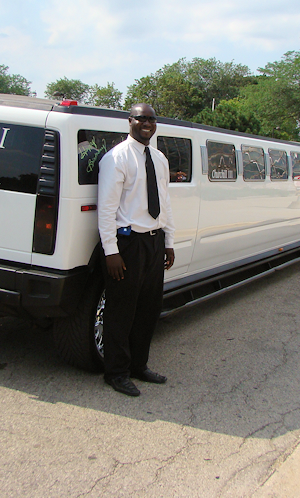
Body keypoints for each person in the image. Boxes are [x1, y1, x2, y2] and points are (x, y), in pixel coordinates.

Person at [97, 103, 175, 397]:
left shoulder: (159, 158)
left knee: (148, 309)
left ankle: (138, 366)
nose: (147, 123)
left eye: (151, 119)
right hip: (127, 244)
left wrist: (168, 242)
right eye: (141, 118)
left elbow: (165, 203)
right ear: (129, 121)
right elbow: (106, 209)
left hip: (154, 241)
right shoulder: (117, 158)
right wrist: (111, 251)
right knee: (121, 310)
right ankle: (116, 372)